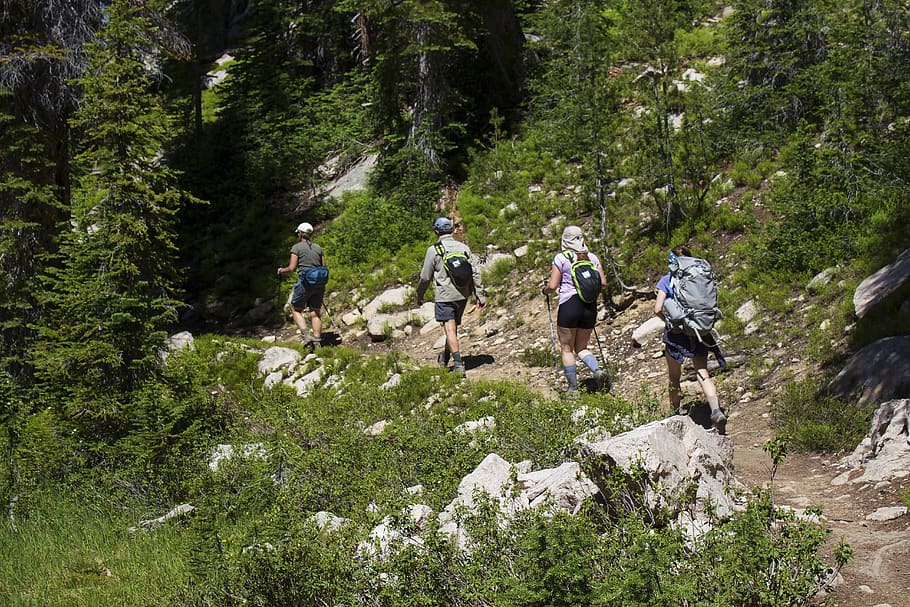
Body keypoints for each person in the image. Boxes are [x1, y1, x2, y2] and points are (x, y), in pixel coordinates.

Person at [654, 245, 727, 434]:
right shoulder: (700, 275)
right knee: (703, 372)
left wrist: (668, 321)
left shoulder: (667, 279)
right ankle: (716, 411)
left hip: (677, 334)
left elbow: (657, 309)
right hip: (700, 330)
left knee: (674, 377)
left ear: (673, 260)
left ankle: (675, 414)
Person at [540, 225, 609, 398]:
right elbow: (603, 283)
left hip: (569, 305)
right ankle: (597, 371)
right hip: (589, 306)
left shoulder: (561, 258)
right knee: (582, 347)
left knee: (567, 348)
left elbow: (553, 286)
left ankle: (573, 390)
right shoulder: (592, 257)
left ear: (565, 239)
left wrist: (544, 290)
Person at [416, 217, 486, 375]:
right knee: (452, 330)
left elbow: (425, 277)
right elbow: (475, 273)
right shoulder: (463, 248)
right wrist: (480, 295)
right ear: (452, 230)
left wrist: (419, 295)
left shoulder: (434, 250)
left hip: (444, 297)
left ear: (436, 231)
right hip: (462, 296)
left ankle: (459, 365)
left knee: (450, 330)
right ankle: (445, 356)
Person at [277, 222, 326, 348]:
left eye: (297, 233)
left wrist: (282, 270)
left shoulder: (296, 247)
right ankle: (317, 342)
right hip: (319, 283)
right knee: (315, 312)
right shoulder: (318, 247)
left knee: (295, 309)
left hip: (305, 282)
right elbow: (323, 267)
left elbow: (292, 268)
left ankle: (306, 335)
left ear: (300, 234)